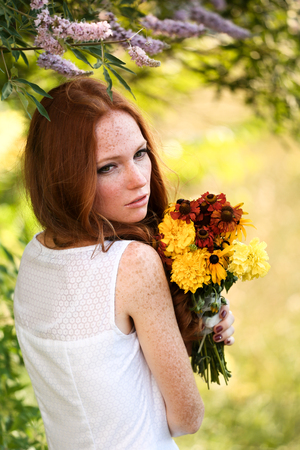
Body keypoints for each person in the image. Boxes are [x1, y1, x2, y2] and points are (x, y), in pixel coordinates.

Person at [14, 78, 235, 450]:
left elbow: (108, 371)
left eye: (140, 153)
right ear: (64, 177)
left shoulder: (35, 256)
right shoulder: (131, 263)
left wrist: (203, 314)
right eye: (107, 168)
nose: (138, 180)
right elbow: (187, 417)